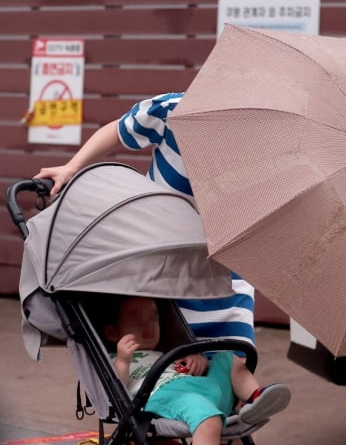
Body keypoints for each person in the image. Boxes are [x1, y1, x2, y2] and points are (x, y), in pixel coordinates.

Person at [35, 92, 257, 359]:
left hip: (226, 264)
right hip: (161, 255)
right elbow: (118, 131)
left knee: (234, 355)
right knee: (169, 353)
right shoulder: (175, 111)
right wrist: (73, 167)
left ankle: (245, 398)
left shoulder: (264, 146)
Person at [103, 296, 290, 445]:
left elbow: (183, 369)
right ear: (112, 332)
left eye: (153, 317)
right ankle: (212, 418)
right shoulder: (117, 359)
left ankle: (255, 398)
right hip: (166, 395)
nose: (148, 325)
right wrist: (123, 361)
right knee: (208, 419)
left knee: (226, 358)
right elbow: (115, 390)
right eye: (137, 318)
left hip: (198, 388)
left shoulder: (164, 353)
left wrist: (198, 362)